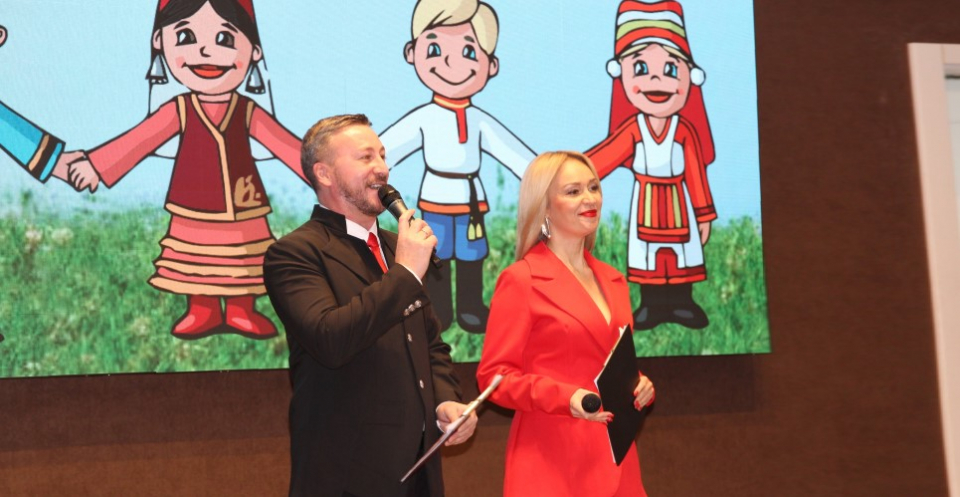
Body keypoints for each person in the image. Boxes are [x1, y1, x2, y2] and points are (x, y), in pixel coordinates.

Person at [66, 0, 308, 340]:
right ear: (159, 42)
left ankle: (241, 310)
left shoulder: (247, 110)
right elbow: (139, 140)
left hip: (244, 206)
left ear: (254, 50)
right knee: (195, 259)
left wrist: (324, 173)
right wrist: (97, 166)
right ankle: (202, 309)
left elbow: (286, 146)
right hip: (192, 205)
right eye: (185, 37)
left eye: (225, 39)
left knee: (243, 260)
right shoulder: (179, 109)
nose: (206, 51)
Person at [263, 114, 478, 497]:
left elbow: (429, 345)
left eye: (382, 155)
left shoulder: (398, 248)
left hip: (419, 470)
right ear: (324, 174)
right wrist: (406, 273)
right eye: (366, 157)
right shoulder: (295, 253)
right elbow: (331, 339)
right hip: (346, 474)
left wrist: (445, 400)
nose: (382, 168)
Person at [476, 151, 655, 497]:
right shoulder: (522, 280)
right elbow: (493, 379)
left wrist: (640, 386)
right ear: (544, 207)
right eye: (573, 191)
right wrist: (566, 397)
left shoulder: (615, 280)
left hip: (618, 462)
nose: (590, 199)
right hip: (551, 462)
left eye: (594, 187)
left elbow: (608, 363)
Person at [380, 0, 536, 334]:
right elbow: (384, 150)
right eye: (435, 49)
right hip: (435, 198)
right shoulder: (424, 117)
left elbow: (515, 154)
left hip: (470, 203)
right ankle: (440, 312)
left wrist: (546, 177)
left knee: (471, 257)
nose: (452, 63)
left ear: (492, 65)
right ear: (411, 53)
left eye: (468, 51)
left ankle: (471, 309)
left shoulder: (480, 119)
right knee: (436, 256)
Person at [586, 0, 717, 331]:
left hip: (679, 202)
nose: (656, 79)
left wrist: (703, 214)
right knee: (647, 253)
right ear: (622, 74)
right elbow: (605, 157)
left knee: (682, 252)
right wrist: (570, 169)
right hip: (645, 200)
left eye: (671, 69)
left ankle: (682, 302)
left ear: (689, 77)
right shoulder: (634, 129)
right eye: (641, 68)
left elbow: (696, 174)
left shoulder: (684, 131)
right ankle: (651, 305)